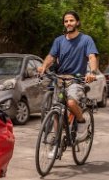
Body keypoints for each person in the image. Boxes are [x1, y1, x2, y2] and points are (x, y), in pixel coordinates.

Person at [37, 10, 98, 151]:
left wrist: (92, 72)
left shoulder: (86, 40)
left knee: (70, 102)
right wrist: (43, 67)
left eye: (71, 20)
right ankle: (57, 140)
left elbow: (92, 57)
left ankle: (81, 122)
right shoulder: (59, 41)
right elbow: (51, 57)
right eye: (66, 21)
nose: (68, 23)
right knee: (57, 109)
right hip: (59, 79)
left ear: (77, 22)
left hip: (75, 79)